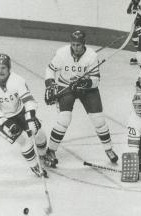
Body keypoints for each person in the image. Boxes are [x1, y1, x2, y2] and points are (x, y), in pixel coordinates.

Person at [43, 30, 118, 168]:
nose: (75, 48)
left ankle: (109, 149)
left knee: (99, 121)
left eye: (78, 45)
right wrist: (50, 85)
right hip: (65, 85)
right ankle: (51, 150)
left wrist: (85, 83)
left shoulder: (91, 56)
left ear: (83, 44)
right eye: (73, 44)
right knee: (64, 120)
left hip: (87, 90)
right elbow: (50, 69)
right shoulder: (62, 53)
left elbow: (96, 79)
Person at [0, 54, 47, 177]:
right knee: (23, 140)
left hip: (19, 111)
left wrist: (31, 117)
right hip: (1, 118)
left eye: (3, 68)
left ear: (9, 68)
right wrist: (7, 124)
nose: (0, 71)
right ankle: (35, 166)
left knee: (39, 132)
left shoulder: (18, 80)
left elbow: (29, 100)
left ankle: (43, 155)